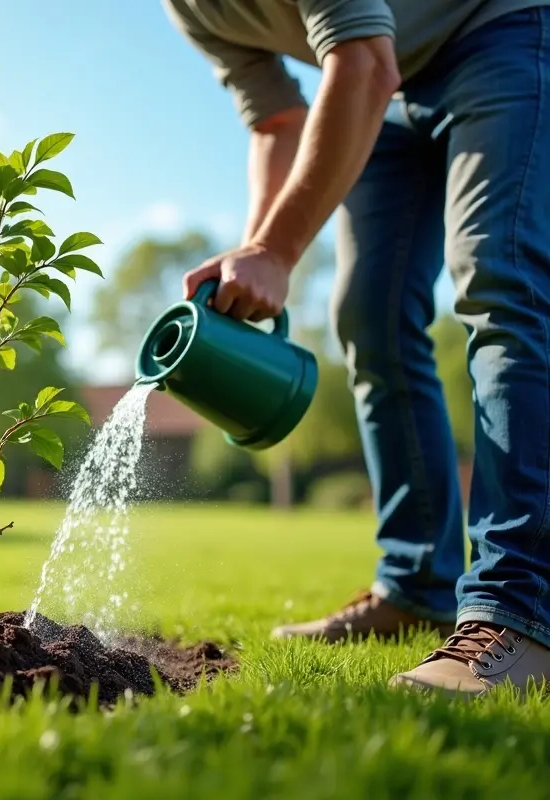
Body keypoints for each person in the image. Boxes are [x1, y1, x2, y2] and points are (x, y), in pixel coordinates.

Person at [162, 0, 550, 697]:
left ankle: (519, 610)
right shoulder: (189, 9)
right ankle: (416, 585)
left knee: (500, 276)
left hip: (501, 27)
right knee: (366, 316)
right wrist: (258, 252)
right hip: (395, 87)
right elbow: (278, 122)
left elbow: (362, 62)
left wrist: (278, 250)